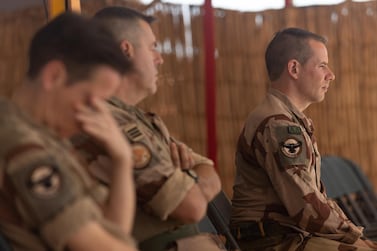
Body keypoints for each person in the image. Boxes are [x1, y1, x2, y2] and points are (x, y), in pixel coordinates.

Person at [71, 6, 224, 251]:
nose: (160, 58)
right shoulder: (109, 121)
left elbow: (206, 166)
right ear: (126, 51)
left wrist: (189, 181)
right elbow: (192, 207)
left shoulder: (136, 118)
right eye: (152, 46)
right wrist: (190, 183)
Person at [230, 27, 377, 251]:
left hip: (292, 236)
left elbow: (314, 200)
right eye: (322, 65)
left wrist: (352, 234)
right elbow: (308, 208)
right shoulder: (278, 124)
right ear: (294, 69)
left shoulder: (287, 119)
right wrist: (354, 235)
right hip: (273, 243)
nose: (331, 74)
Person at [0, 12, 137, 251]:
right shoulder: (21, 144)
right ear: (54, 76)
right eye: (89, 101)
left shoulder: (47, 139)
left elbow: (113, 230)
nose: (95, 116)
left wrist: (122, 158)